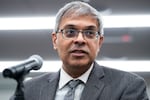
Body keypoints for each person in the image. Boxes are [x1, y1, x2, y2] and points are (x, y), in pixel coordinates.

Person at [24, 1, 149, 100]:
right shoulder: (28, 90)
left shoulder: (128, 86)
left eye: (89, 33)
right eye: (70, 32)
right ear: (55, 40)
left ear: (99, 42)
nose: (80, 40)